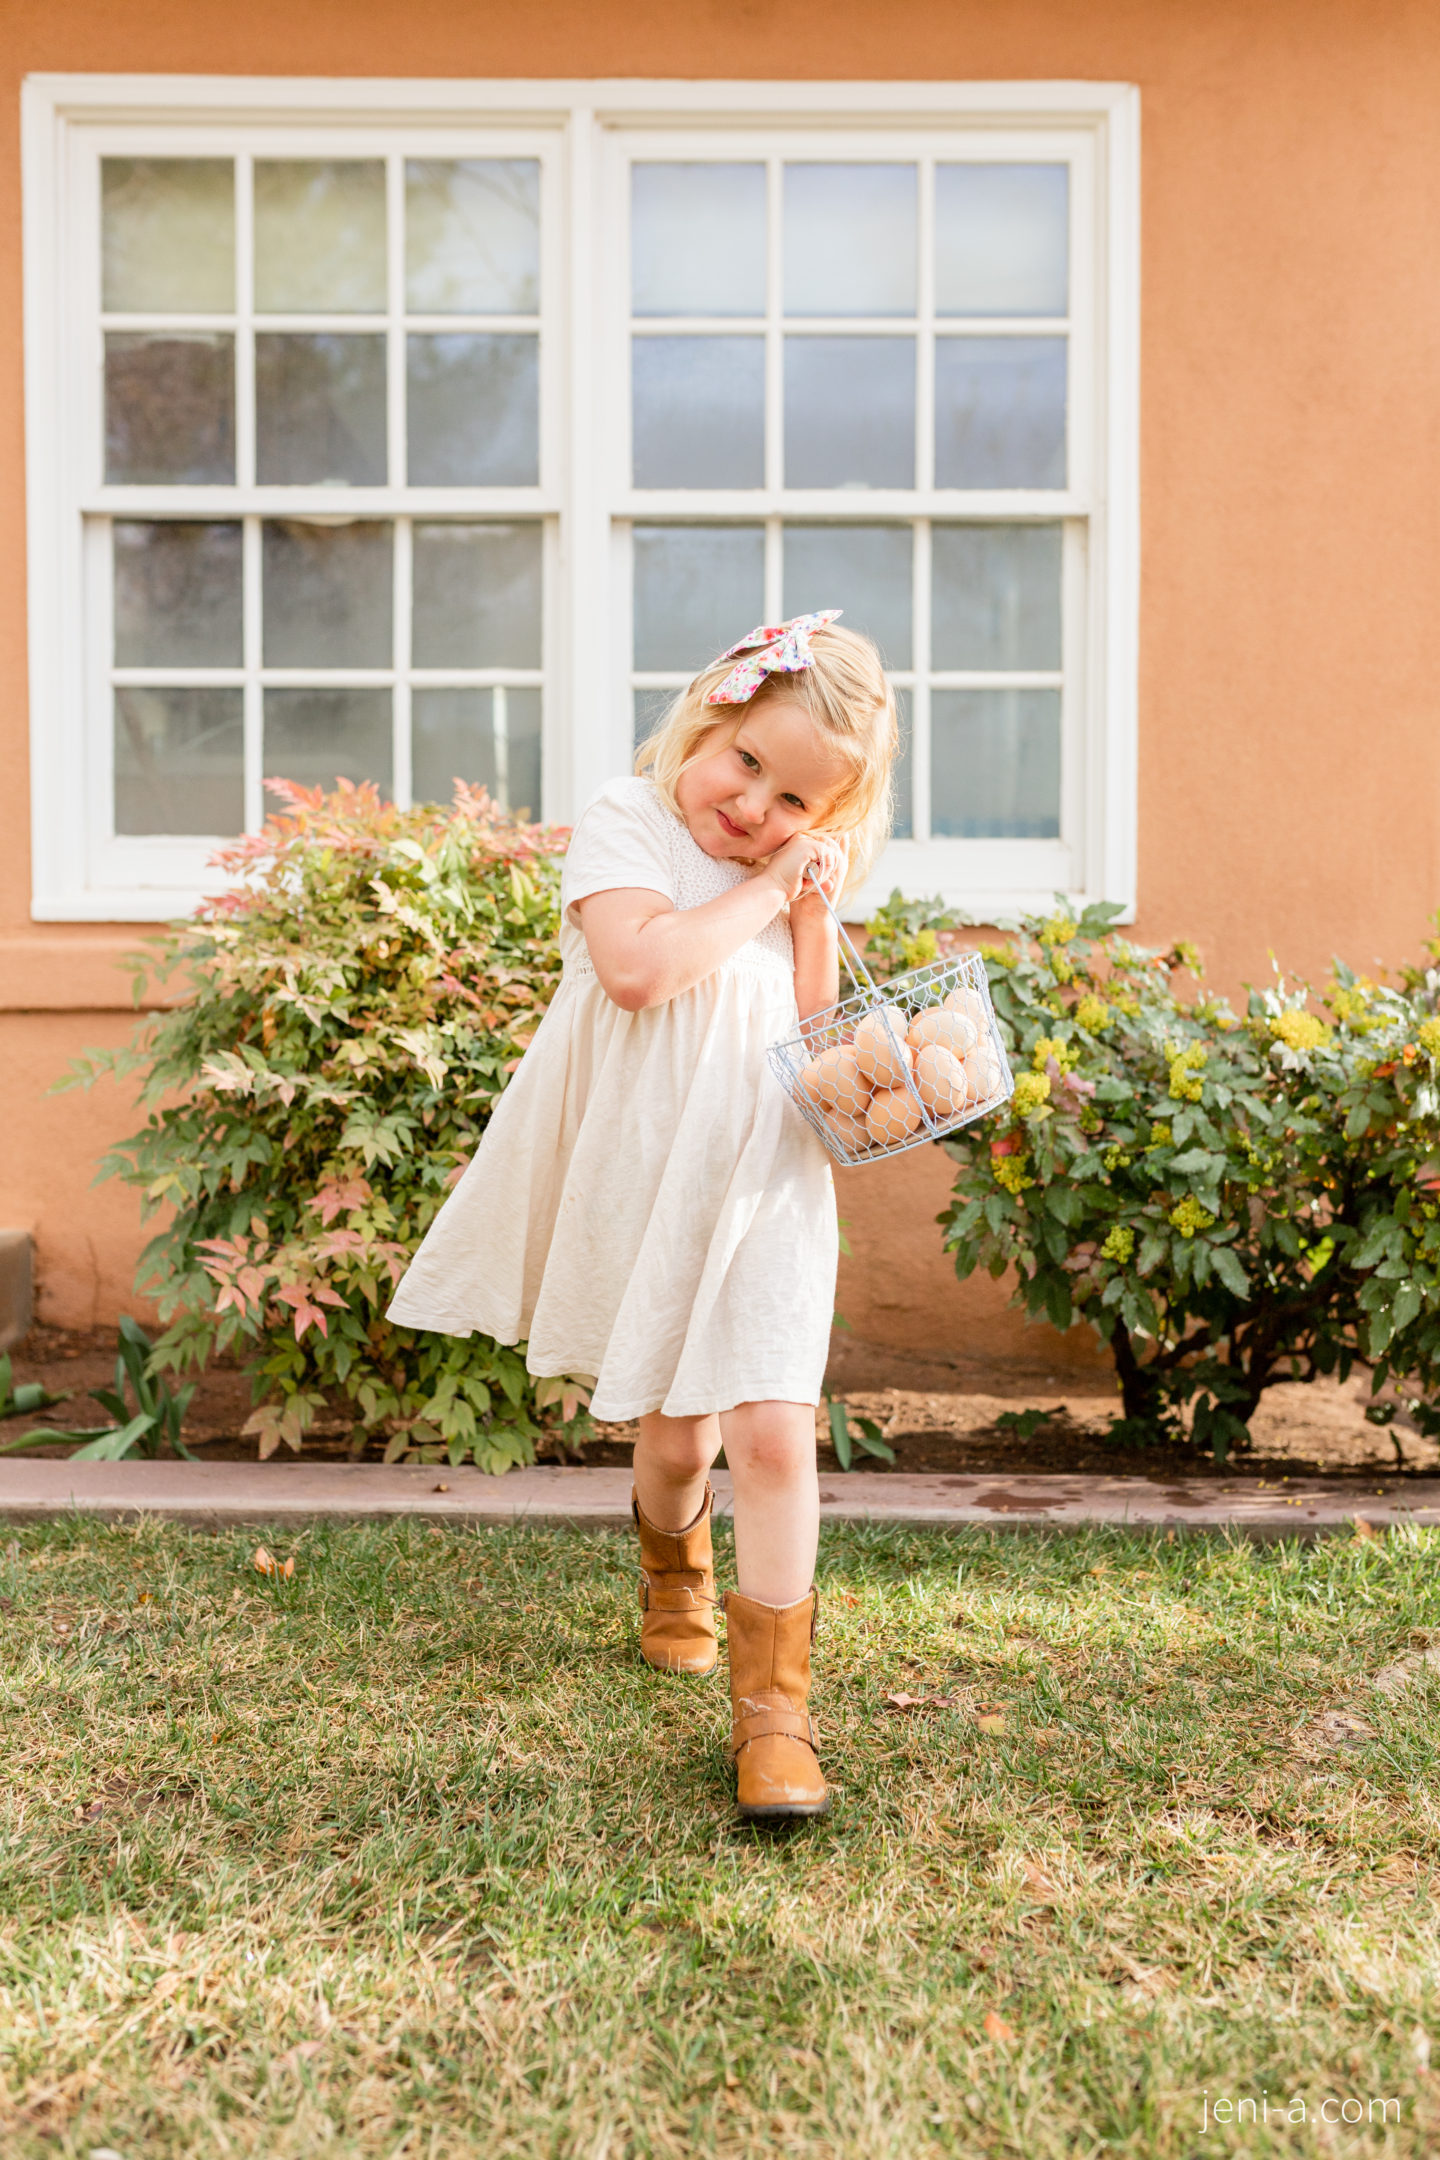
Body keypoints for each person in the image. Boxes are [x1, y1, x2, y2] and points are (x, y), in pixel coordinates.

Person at [388, 611, 898, 1820]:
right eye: (747, 764)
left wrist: (814, 924)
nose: (756, 807)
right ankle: (673, 1565)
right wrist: (770, 887)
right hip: (659, 1179)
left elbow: (814, 1043)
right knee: (678, 1446)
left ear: (829, 819)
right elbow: (639, 970)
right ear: (710, 719)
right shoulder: (630, 823)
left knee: (774, 1435)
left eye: (795, 803)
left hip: (768, 1175)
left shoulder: (787, 888)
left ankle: (775, 1715)